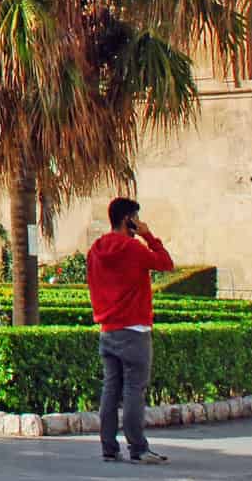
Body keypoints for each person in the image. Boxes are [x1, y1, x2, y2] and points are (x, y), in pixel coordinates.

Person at [88, 197, 175, 466]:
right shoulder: (133, 248)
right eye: (136, 218)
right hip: (134, 330)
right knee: (134, 391)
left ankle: (109, 448)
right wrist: (148, 235)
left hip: (107, 329)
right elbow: (165, 263)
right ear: (129, 219)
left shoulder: (96, 249)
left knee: (110, 391)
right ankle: (138, 448)